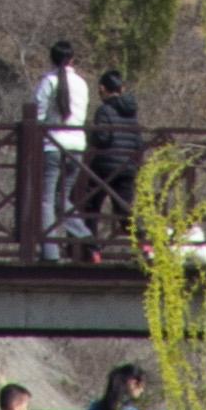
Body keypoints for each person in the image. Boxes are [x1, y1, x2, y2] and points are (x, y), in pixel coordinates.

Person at [81, 62, 145, 264]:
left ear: (103, 89)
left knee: (91, 207)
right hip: (127, 167)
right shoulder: (132, 111)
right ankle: (145, 245)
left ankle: (92, 251)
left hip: (104, 167)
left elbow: (102, 138)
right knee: (124, 211)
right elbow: (138, 141)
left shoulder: (104, 110)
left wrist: (89, 131)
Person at [29, 35, 89, 244]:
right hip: (77, 147)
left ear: (52, 59)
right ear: (72, 59)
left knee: (46, 200)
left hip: (52, 146)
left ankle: (50, 249)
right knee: (62, 200)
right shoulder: (82, 84)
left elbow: (36, 115)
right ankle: (87, 239)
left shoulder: (48, 82)